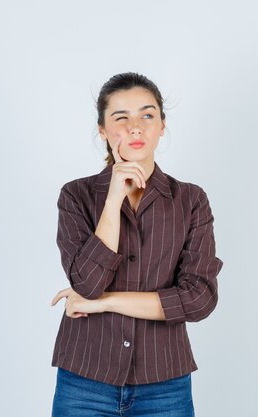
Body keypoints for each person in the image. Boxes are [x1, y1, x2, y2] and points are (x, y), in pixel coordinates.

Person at [49, 72, 224, 417]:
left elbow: (199, 298)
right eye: (121, 118)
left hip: (165, 383)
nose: (135, 127)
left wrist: (105, 303)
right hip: (85, 379)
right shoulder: (76, 196)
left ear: (161, 125)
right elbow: (87, 284)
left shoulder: (190, 200)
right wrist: (113, 200)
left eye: (147, 115)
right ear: (102, 130)